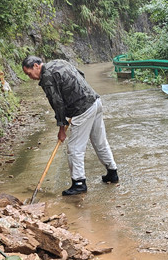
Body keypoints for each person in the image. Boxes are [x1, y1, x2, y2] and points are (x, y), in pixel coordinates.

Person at [22, 56, 119, 195]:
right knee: (100, 142)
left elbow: (57, 103)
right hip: (95, 101)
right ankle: (112, 173)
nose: (30, 77)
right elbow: (81, 75)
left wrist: (62, 128)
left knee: (74, 148)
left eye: (29, 73)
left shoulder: (47, 77)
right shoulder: (59, 62)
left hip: (83, 109)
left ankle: (79, 183)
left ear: (37, 66)